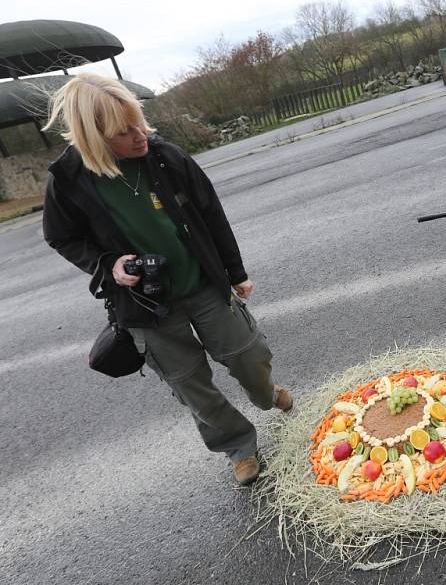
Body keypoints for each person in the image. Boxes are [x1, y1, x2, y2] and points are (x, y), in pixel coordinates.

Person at [41, 73, 291, 485]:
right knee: (192, 386)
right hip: (147, 308)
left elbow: (212, 214)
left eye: (139, 122)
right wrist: (108, 266)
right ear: (94, 136)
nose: (141, 135)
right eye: (125, 132)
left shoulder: (166, 157)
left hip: (204, 284)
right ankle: (239, 447)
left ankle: (267, 395)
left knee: (250, 356)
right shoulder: (68, 180)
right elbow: (61, 236)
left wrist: (236, 272)